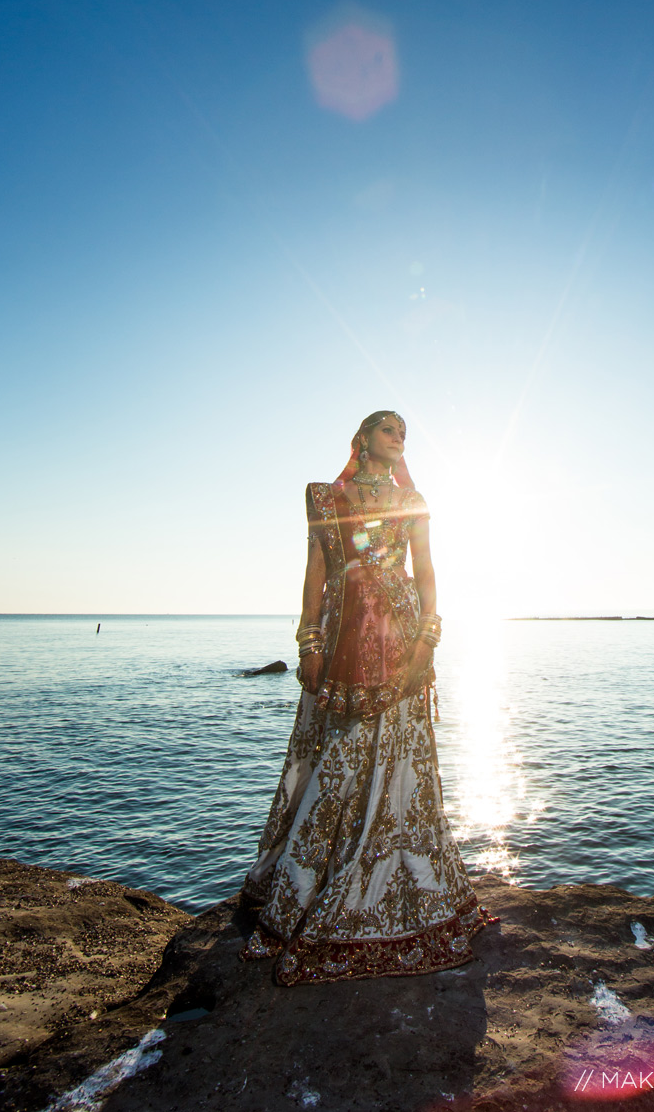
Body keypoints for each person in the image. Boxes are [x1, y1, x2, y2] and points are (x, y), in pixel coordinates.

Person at [240, 410, 495, 986]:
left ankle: (390, 864)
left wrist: (429, 636)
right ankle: (315, 876)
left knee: (400, 753)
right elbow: (316, 570)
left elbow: (425, 570)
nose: (398, 435)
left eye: (403, 430)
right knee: (335, 754)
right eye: (387, 427)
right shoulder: (325, 497)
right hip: (343, 631)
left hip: (399, 631)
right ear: (361, 440)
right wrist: (307, 638)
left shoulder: (414, 499)